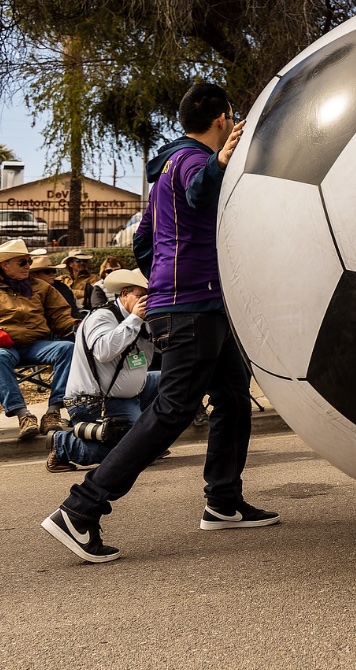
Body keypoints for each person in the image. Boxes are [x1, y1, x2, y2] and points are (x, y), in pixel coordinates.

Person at [43, 83, 279, 564]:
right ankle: (81, 509)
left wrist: (167, 282)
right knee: (172, 410)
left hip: (194, 303)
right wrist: (218, 165)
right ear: (223, 119)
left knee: (234, 396)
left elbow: (146, 240)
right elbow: (199, 190)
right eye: (231, 119)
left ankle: (223, 501)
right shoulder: (192, 162)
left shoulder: (164, 169)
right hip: (193, 307)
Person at [48, 268, 160, 472]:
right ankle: (63, 445)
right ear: (125, 294)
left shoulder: (147, 320)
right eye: (141, 296)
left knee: (171, 381)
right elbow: (103, 351)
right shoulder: (102, 317)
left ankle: (149, 440)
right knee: (135, 455)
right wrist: (134, 319)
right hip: (94, 401)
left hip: (131, 394)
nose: (147, 301)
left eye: (152, 296)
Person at [0, 239, 76, 439]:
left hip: (36, 344)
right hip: (6, 347)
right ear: (5, 264)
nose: (28, 267)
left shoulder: (42, 287)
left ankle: (53, 412)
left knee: (67, 348)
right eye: (22, 262)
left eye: (29, 262)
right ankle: (23, 415)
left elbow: (60, 316)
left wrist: (76, 325)